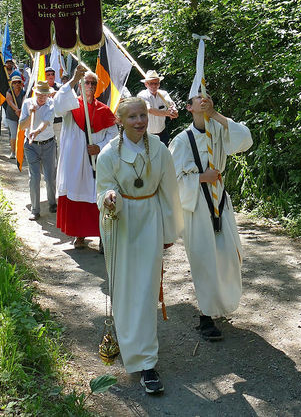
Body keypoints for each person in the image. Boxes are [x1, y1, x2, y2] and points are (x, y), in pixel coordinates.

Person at [97, 97, 183, 394]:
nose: (139, 121)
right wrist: (108, 198)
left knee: (146, 292)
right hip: (120, 225)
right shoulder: (108, 154)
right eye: (132, 116)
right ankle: (126, 342)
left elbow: (169, 191)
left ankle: (147, 363)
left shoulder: (159, 150)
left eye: (143, 115)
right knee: (124, 290)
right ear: (119, 120)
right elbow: (103, 189)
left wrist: (169, 230)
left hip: (149, 223)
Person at [169, 93, 253, 341]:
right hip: (195, 206)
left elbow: (245, 140)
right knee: (204, 260)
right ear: (188, 107)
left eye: (208, 98)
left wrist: (215, 115)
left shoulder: (217, 130)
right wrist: (200, 179)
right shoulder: (181, 141)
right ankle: (206, 317)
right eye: (198, 99)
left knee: (229, 255)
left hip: (220, 202)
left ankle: (220, 303)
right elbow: (172, 180)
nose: (203, 101)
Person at [54, 66, 117, 249]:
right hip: (74, 162)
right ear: (80, 86)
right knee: (77, 197)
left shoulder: (104, 111)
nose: (89, 85)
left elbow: (113, 136)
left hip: (96, 162)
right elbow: (58, 106)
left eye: (93, 83)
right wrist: (73, 79)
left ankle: (102, 237)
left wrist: (99, 147)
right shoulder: (72, 105)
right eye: (86, 82)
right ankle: (79, 235)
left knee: (97, 197)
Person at [19, 81, 57, 218]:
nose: (41, 98)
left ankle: (53, 203)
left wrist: (35, 131)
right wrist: (30, 114)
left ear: (48, 95)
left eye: (44, 95)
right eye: (39, 94)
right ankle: (35, 210)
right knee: (34, 177)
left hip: (48, 144)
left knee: (50, 177)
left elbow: (46, 122)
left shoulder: (52, 104)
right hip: (31, 146)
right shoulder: (27, 103)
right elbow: (22, 126)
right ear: (35, 93)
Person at [137, 70, 178, 146]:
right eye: (151, 83)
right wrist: (167, 113)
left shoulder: (164, 94)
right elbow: (149, 110)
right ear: (146, 84)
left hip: (162, 134)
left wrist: (174, 111)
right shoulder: (141, 96)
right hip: (147, 136)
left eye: (156, 83)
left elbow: (171, 105)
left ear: (159, 84)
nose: (154, 86)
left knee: (163, 156)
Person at [3, 73, 24, 159]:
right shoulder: (9, 92)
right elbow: (10, 102)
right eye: (15, 82)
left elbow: (24, 103)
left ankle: (21, 151)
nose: (17, 84)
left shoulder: (24, 93)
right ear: (12, 84)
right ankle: (13, 152)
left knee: (22, 134)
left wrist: (21, 111)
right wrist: (16, 109)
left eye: (18, 82)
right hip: (11, 116)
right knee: (14, 134)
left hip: (21, 116)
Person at [44, 66, 64, 150]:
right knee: (47, 145)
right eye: (48, 74)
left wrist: (58, 94)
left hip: (58, 121)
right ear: (45, 76)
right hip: (46, 121)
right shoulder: (41, 88)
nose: (50, 76)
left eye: (52, 74)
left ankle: (58, 163)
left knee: (59, 144)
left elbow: (64, 101)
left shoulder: (60, 87)